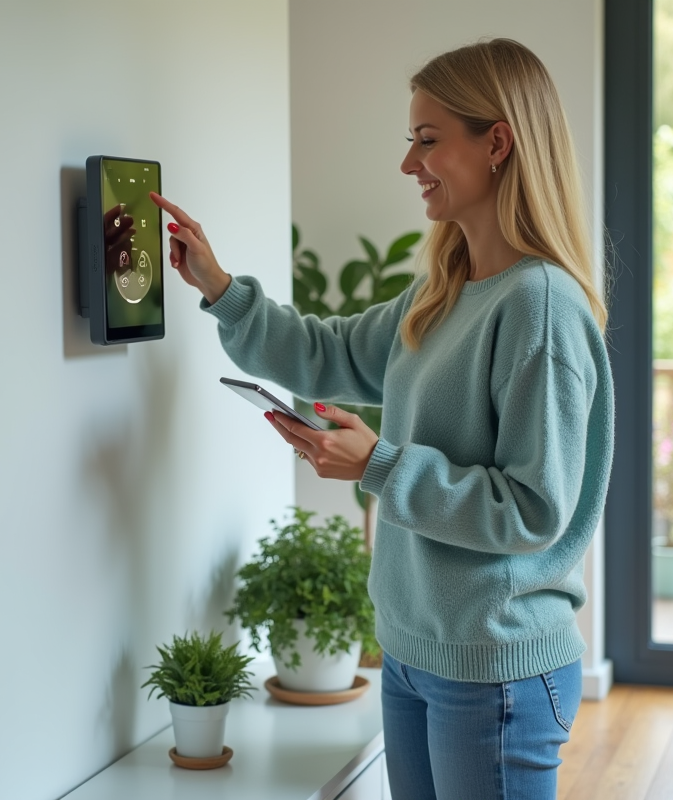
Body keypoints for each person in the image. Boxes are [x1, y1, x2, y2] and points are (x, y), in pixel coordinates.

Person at [150, 37, 613, 800]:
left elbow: (534, 510)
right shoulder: (446, 291)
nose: (409, 165)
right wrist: (220, 285)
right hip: (412, 652)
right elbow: (325, 351)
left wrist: (379, 466)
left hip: (495, 670)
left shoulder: (540, 307)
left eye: (428, 141)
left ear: (497, 142)